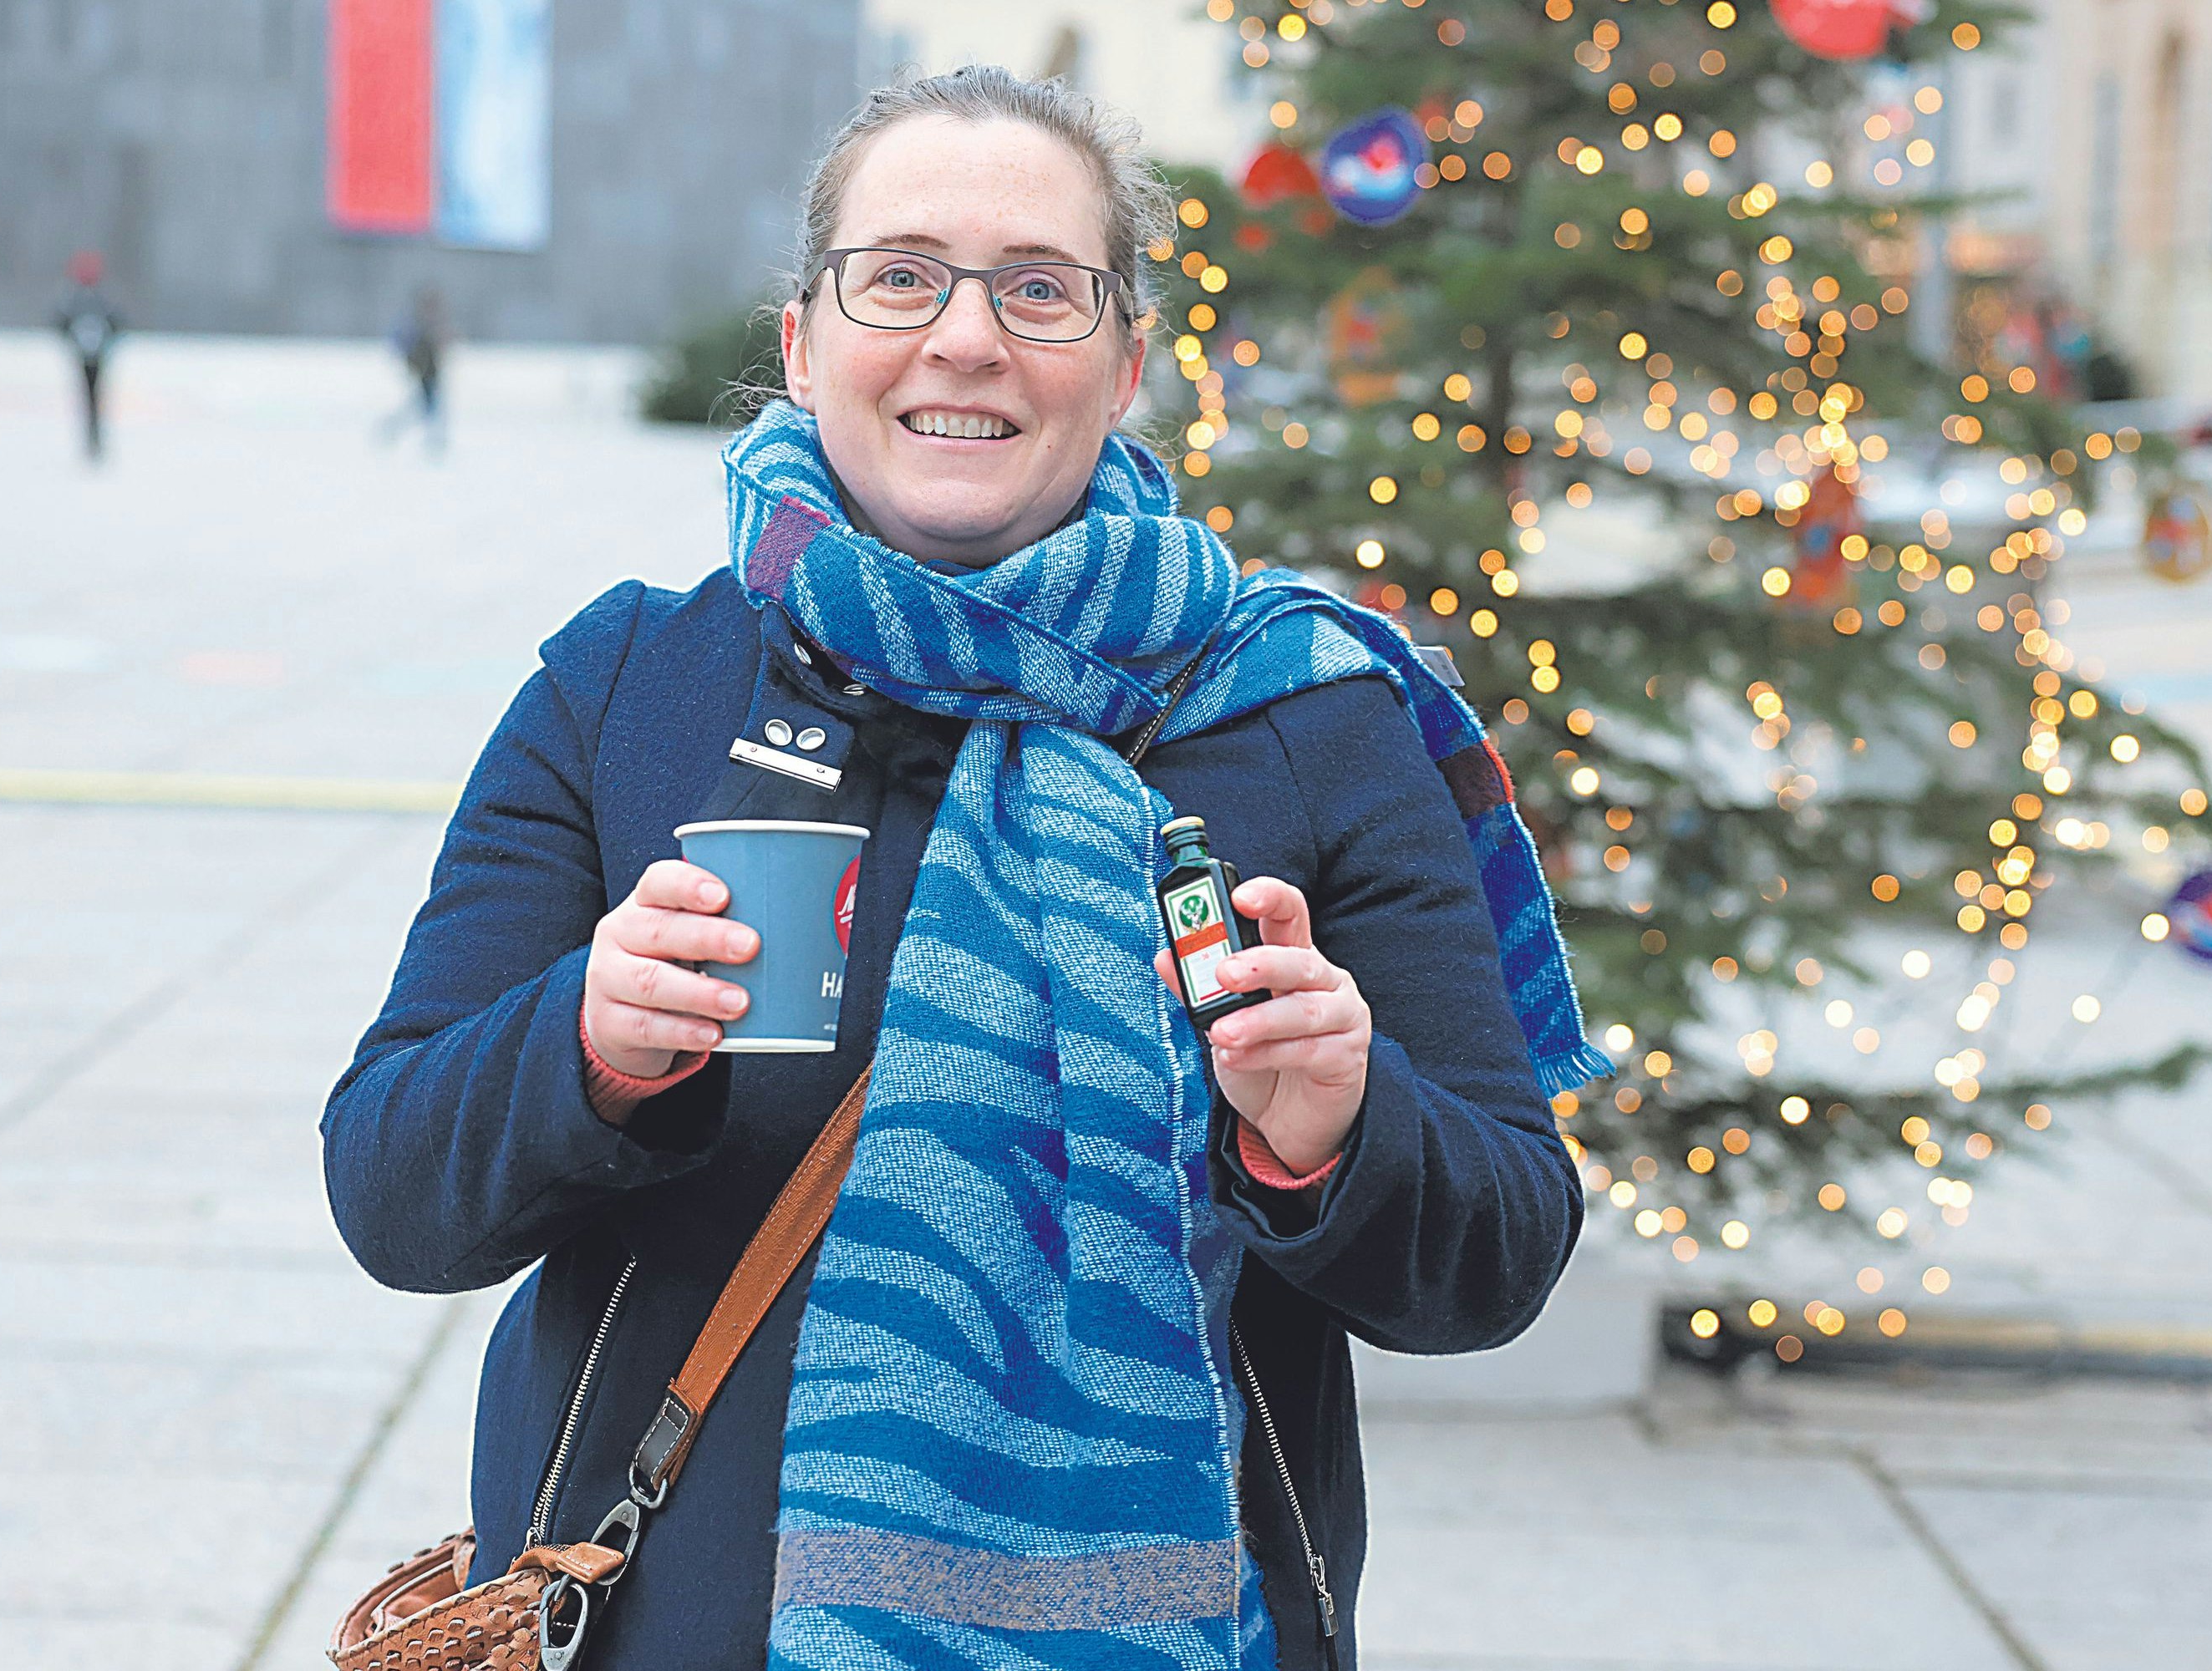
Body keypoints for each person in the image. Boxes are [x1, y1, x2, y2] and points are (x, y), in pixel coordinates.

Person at [323, 66, 1593, 1671]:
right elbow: (388, 1193)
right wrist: (583, 1049)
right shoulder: (632, 689)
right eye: (901, 275)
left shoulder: (1310, 720)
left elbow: (1497, 1256)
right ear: (802, 340)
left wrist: (1336, 1134)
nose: (967, 339)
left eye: (1039, 290)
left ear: (1125, 363)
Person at [53, 251, 121, 463]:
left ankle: (95, 440)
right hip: (84, 356)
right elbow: (61, 324)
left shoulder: (100, 298)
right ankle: (90, 441)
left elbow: (116, 323)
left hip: (96, 356)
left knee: (95, 398)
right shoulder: (75, 298)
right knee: (88, 399)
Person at [378, 282, 447, 456]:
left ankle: (432, 441)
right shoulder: (415, 323)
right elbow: (402, 346)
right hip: (423, 373)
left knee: (424, 407)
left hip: (431, 372)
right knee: (426, 408)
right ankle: (432, 442)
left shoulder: (432, 323)